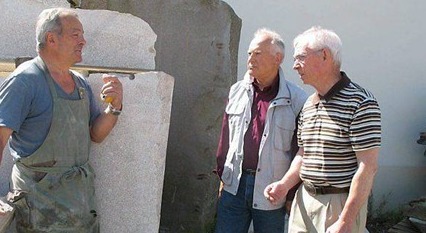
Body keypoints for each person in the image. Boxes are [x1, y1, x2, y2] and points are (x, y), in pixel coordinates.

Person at [0, 8, 123, 232]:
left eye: (82, 35)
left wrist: (114, 108)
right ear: (51, 39)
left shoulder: (80, 84)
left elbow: (96, 135)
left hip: (80, 209)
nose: (83, 41)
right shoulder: (25, 82)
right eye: (75, 34)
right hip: (40, 208)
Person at [264, 26, 381, 233]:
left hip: (338, 205)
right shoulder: (309, 104)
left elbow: (367, 168)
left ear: (325, 55)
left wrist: (346, 221)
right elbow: (304, 153)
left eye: (300, 57)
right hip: (304, 200)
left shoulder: (361, 102)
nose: (294, 66)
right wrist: (284, 184)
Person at [214, 28, 307, 233]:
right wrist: (222, 176)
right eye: (249, 53)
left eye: (257, 53)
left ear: (278, 58)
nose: (250, 59)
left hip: (272, 190)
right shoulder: (236, 90)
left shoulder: (298, 99)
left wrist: (290, 194)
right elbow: (225, 137)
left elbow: (300, 151)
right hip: (234, 186)